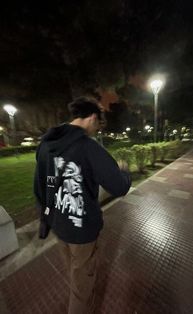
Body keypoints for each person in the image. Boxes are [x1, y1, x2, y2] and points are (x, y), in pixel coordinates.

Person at [34, 96, 131, 314]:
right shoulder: (88, 147)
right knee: (82, 288)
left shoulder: (46, 144)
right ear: (92, 118)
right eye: (98, 124)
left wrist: (46, 217)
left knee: (75, 272)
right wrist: (124, 172)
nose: (96, 130)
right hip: (82, 230)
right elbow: (119, 187)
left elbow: (39, 187)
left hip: (58, 225)